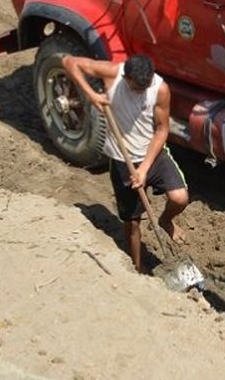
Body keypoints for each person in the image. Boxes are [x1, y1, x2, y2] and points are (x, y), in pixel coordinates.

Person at [64, 53, 188, 274]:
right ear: (126, 77)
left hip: (153, 154)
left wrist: (143, 169)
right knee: (132, 224)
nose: (142, 91)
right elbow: (68, 62)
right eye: (137, 87)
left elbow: (162, 130)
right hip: (123, 159)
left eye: (145, 85)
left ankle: (166, 221)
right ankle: (137, 268)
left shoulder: (160, 89)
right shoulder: (113, 74)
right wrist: (91, 94)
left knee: (180, 197)